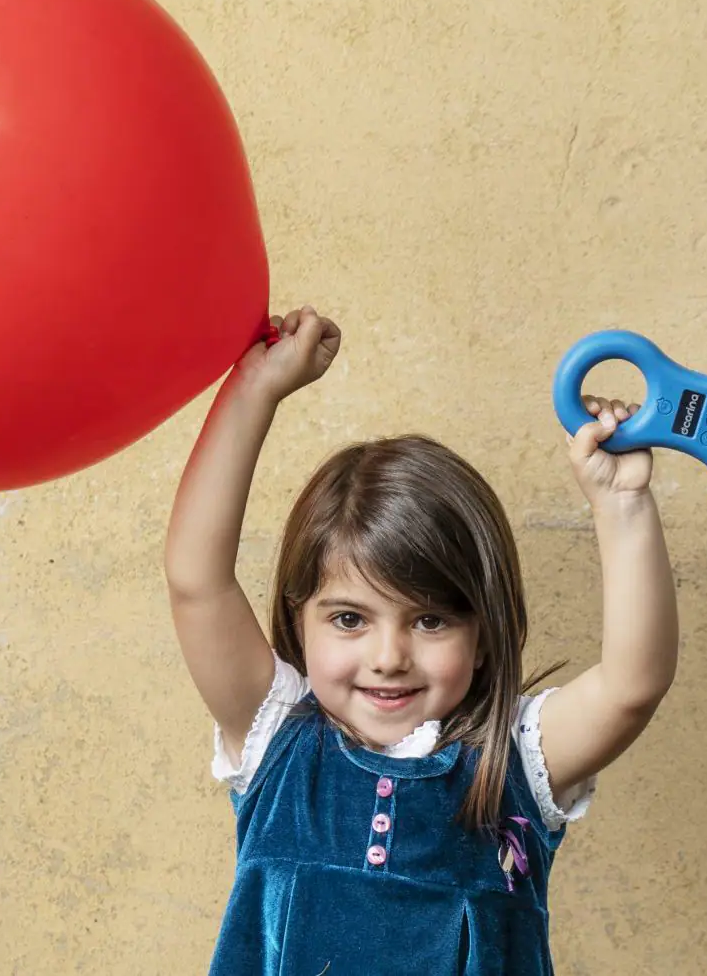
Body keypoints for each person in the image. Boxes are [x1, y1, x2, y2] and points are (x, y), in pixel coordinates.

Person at [164, 306, 680, 974]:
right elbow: (195, 582)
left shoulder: (516, 762)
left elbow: (633, 687)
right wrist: (255, 389)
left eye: (431, 620)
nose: (388, 657)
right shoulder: (275, 741)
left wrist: (622, 503)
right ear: (299, 623)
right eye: (350, 619)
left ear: (486, 634)